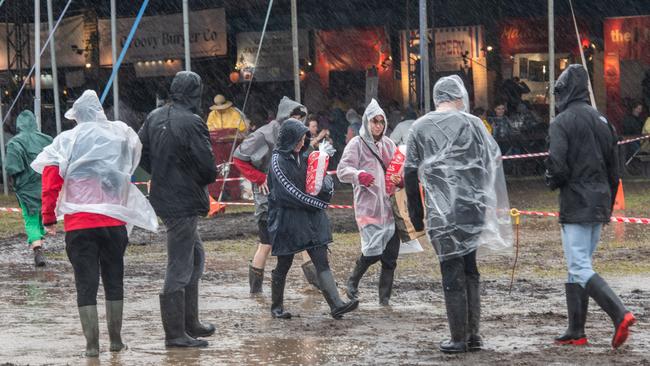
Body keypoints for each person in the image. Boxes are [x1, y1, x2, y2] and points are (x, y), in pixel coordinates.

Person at [31, 90, 158, 357]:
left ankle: (91, 346)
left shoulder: (67, 140)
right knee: (114, 279)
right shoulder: (118, 135)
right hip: (113, 224)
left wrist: (48, 218)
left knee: (85, 284)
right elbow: (127, 166)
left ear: (77, 116)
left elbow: (51, 179)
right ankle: (116, 340)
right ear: (99, 111)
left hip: (80, 226)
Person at [404, 75, 512, 353]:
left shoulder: (419, 127)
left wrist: (416, 217)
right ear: (458, 96)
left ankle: (458, 337)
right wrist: (483, 199)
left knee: (451, 271)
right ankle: (473, 334)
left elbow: (410, 172)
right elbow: (491, 163)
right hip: (471, 209)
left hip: (442, 213)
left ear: (437, 97)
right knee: (470, 267)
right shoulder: (475, 124)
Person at [545, 64, 636, 349]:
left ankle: (619, 313)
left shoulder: (561, 122)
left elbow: (557, 166)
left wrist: (551, 180)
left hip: (576, 202)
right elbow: (614, 170)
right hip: (600, 202)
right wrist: (607, 204)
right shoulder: (604, 121)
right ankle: (576, 331)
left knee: (579, 265)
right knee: (577, 266)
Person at [138, 71, 218, 348]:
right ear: (195, 92)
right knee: (180, 264)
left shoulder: (153, 116)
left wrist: (164, 170)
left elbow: (142, 153)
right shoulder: (194, 121)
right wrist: (187, 174)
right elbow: (208, 169)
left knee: (194, 257)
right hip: (183, 200)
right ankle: (175, 333)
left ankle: (189, 322)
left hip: (165, 197)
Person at [267, 118, 358, 319]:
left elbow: (320, 179)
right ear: (289, 139)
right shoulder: (277, 161)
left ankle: (336, 305)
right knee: (284, 263)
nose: (301, 144)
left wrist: (325, 188)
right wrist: (318, 204)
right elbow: (287, 193)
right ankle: (276, 307)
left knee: (321, 260)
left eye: (304, 139)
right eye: (298, 140)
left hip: (310, 220)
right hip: (287, 221)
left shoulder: (306, 156)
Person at [232, 97, 321, 294]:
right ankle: (255, 290)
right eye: (293, 117)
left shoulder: (300, 135)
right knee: (265, 244)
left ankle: (318, 284)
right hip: (267, 199)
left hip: (291, 199)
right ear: (284, 116)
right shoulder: (264, 134)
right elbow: (239, 158)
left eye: (300, 118)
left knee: (304, 240)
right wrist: (260, 178)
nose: (297, 121)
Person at [338, 99, 401, 306]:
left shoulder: (389, 144)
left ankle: (384, 299)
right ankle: (352, 281)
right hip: (369, 207)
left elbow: (397, 169)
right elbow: (342, 170)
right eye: (374, 122)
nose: (378, 126)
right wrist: (359, 175)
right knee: (372, 252)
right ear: (366, 122)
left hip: (390, 208)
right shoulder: (356, 144)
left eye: (381, 122)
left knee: (390, 257)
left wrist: (400, 180)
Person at [5, 110, 53, 267]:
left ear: (19, 124)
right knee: (42, 215)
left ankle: (37, 248)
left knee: (31, 218)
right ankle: (39, 240)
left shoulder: (15, 143)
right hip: (46, 186)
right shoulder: (47, 139)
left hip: (26, 188)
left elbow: (13, 168)